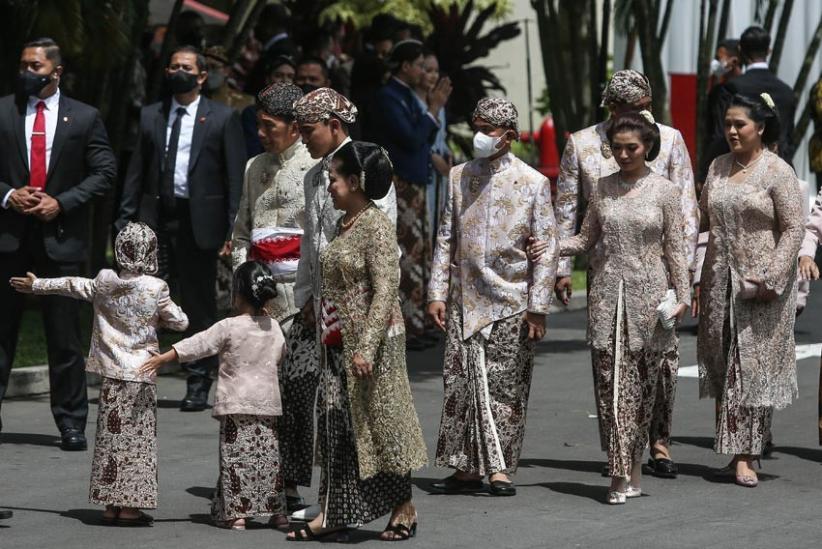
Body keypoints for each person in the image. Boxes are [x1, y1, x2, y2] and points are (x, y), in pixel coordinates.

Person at [551, 69, 698, 478]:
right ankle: (619, 448)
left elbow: (686, 212)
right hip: (605, 273)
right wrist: (560, 268)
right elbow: (567, 209)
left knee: (660, 365)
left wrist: (684, 280)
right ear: (612, 108)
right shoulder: (582, 144)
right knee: (611, 367)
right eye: (633, 107)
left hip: (657, 276)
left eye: (647, 106)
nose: (642, 113)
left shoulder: (669, 139)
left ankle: (659, 441)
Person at [287, 141, 426, 541]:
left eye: (333, 179)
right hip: (337, 339)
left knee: (382, 425)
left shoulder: (375, 226)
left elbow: (385, 292)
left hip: (373, 344)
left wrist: (366, 347)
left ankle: (403, 508)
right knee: (338, 427)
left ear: (354, 182)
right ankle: (335, 511)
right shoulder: (342, 223)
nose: (329, 186)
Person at [11, 222, 188, 525]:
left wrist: (37, 284)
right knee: (137, 443)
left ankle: (110, 505)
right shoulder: (156, 288)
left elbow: (72, 285)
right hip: (140, 376)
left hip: (111, 374)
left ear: (119, 250)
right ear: (151, 252)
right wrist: (158, 319)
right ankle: (130, 508)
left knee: (111, 440)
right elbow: (180, 322)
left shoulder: (104, 281)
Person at [427, 97, 559, 496]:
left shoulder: (533, 182)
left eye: (488, 130)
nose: (480, 136)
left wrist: (538, 308)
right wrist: (437, 292)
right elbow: (446, 237)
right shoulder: (459, 176)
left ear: (510, 136)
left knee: (505, 388)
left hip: (512, 299)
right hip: (465, 298)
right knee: (460, 383)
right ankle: (466, 469)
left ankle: (500, 469)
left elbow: (547, 249)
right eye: (477, 127)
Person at [0, 38, 117, 449]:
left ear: (56, 71)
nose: (27, 72)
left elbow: (104, 172)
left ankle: (70, 423)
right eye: (23, 65)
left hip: (61, 242)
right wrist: (7, 194)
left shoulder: (83, 117)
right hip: (9, 241)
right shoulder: (4, 110)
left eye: (35, 66)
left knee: (64, 337)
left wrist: (62, 202)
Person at [116, 45, 246, 413]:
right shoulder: (151, 115)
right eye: (173, 66)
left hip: (199, 221)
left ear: (202, 76)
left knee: (198, 303)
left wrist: (232, 228)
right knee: (145, 300)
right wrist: (125, 221)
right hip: (156, 218)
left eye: (186, 67)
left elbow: (234, 178)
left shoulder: (222, 117)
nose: (178, 72)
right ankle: (138, 376)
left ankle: (199, 378)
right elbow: (136, 172)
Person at [291, 87, 397, 522]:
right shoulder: (312, 177)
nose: (301, 138)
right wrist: (306, 298)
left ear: (334, 125)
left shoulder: (368, 164)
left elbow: (384, 254)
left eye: (307, 130)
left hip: (365, 315)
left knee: (376, 417)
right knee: (333, 414)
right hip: (325, 311)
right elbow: (310, 244)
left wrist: (366, 331)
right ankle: (333, 505)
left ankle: (400, 506)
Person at [694, 93, 802, 488]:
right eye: (727, 124)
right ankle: (740, 449)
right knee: (725, 362)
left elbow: (793, 228)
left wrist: (771, 278)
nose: (732, 131)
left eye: (739, 124)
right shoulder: (718, 166)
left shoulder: (777, 171)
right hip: (719, 279)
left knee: (751, 367)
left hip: (761, 286)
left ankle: (745, 456)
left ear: (760, 127)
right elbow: (701, 219)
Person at [139, 260, 287, 530]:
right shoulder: (274, 327)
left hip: (236, 404)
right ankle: (277, 513)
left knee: (236, 460)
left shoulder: (228, 326)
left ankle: (237, 514)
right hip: (267, 405)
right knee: (267, 459)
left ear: (237, 293)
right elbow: (280, 356)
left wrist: (164, 357)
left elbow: (198, 344)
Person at [230, 82, 320, 512]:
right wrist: (244, 286)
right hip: (259, 304)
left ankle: (291, 486)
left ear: (295, 127)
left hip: (302, 303)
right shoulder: (253, 166)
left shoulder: (316, 167)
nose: (262, 133)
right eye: (259, 125)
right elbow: (241, 233)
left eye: (270, 126)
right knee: (257, 397)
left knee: (298, 396)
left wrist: (314, 296)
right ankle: (252, 479)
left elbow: (322, 237)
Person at [375, 40, 452, 350]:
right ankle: (405, 325)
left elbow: (425, 137)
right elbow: (410, 138)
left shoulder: (406, 95)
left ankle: (420, 321)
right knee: (405, 254)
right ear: (405, 66)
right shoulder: (388, 96)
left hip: (418, 181)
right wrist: (432, 109)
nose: (422, 72)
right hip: (400, 182)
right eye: (419, 65)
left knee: (420, 252)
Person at [725, 26, 796, 163]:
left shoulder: (732, 88)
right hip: (781, 165)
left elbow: (720, 135)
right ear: (769, 51)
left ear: (740, 50)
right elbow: (789, 138)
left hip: (742, 166)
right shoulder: (787, 91)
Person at [413, 50, 451, 240]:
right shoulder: (412, 102)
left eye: (436, 71)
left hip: (441, 174)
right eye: (428, 70)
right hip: (424, 169)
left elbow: (442, 136)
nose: (433, 76)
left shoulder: (439, 102)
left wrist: (448, 156)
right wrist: (433, 157)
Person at [700, 39, 743, 186]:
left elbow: (718, 133)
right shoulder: (750, 87)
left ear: (734, 61)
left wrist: (705, 168)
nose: (716, 63)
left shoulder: (722, 93)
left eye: (720, 58)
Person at [241, 55, 297, 158]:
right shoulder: (252, 113)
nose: (285, 80)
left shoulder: (299, 113)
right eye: (278, 75)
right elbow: (253, 151)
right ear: (268, 79)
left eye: (290, 77)